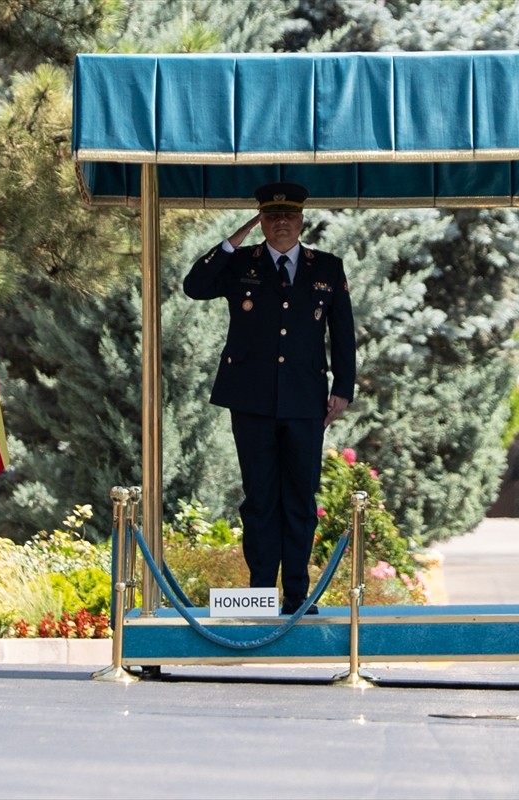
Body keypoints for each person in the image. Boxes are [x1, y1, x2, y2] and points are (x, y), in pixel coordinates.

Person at [183, 182, 356, 615]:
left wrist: (343, 389)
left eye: (289, 216)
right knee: (260, 497)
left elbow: (344, 335)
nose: (282, 223)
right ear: (260, 220)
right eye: (272, 216)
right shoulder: (241, 262)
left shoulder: (327, 268)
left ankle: (297, 594)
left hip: (304, 399)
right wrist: (232, 240)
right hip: (251, 398)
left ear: (302, 221)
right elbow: (194, 285)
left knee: (300, 496)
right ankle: (260, 593)